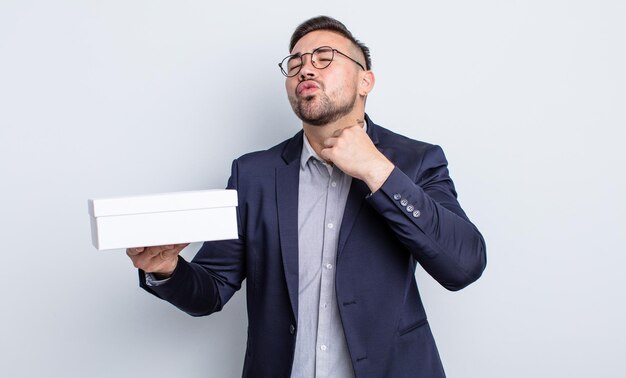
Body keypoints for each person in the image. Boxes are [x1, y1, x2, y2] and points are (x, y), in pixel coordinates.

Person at [127, 15, 486, 378]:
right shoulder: (253, 175)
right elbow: (212, 289)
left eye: (324, 57)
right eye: (295, 63)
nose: (304, 69)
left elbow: (464, 265)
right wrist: (166, 269)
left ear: (366, 81)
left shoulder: (415, 161)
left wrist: (377, 170)